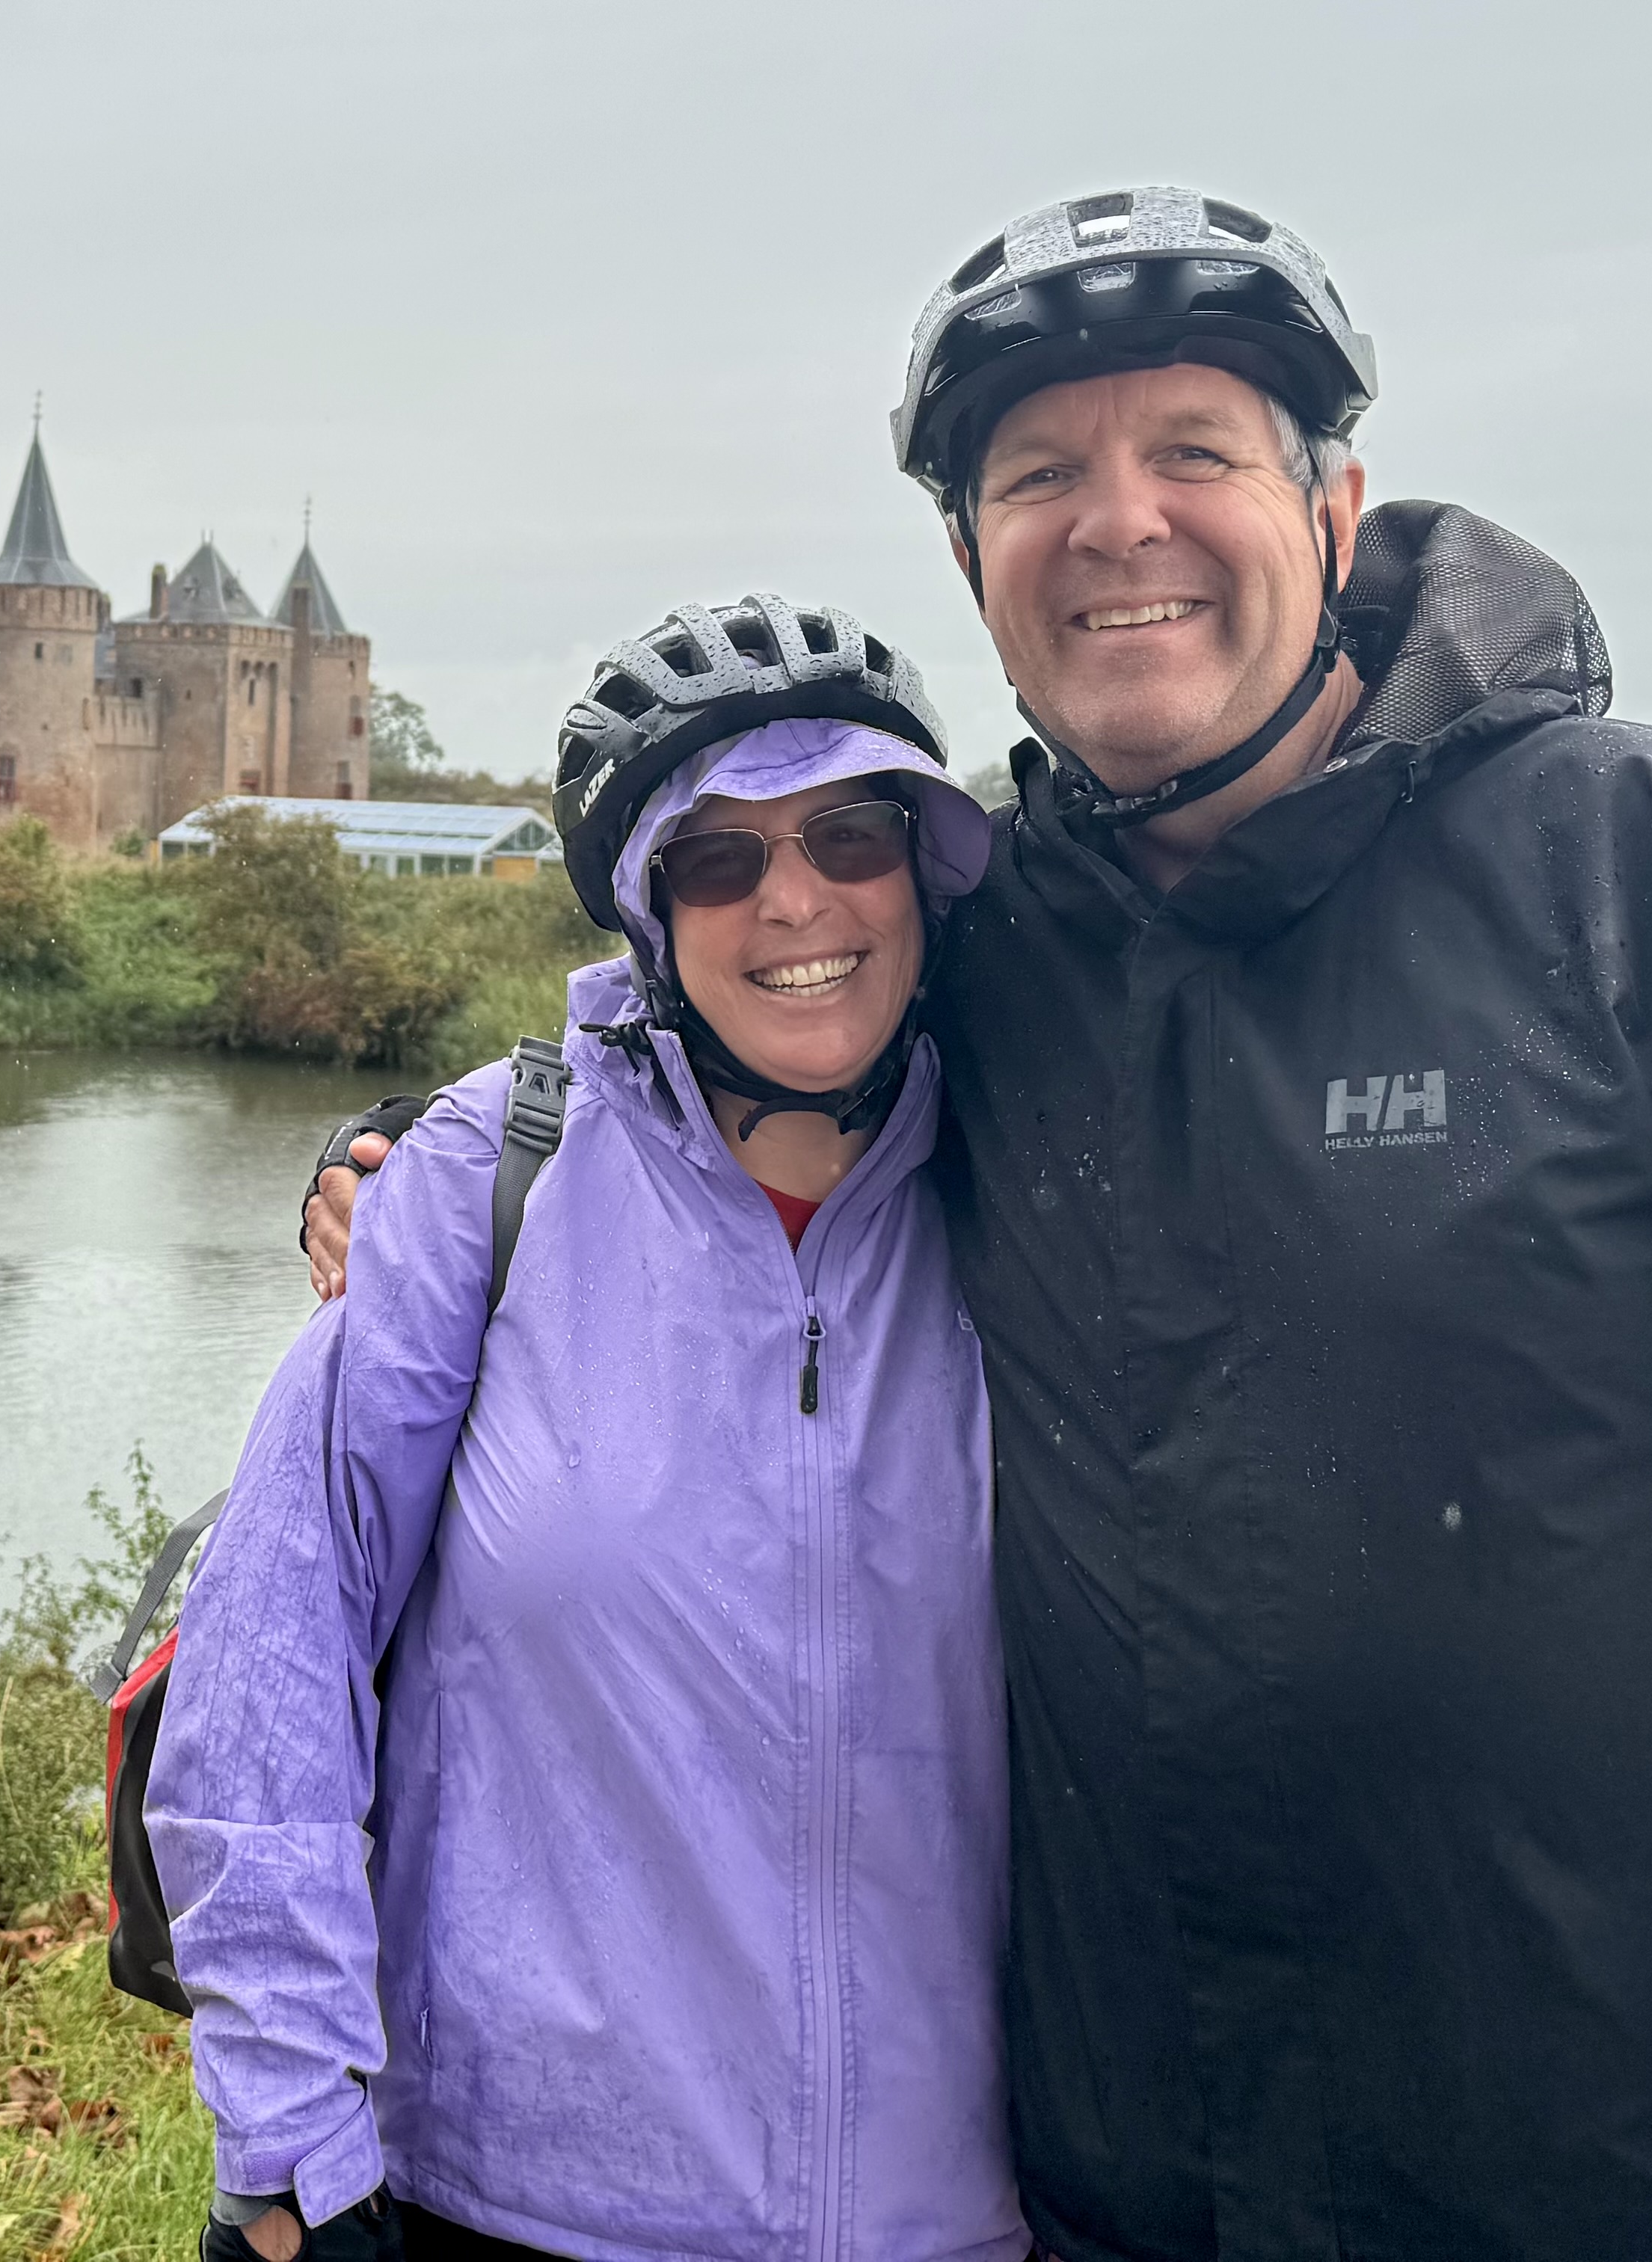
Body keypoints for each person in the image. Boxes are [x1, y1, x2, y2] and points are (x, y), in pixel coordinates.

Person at [305, 190, 1652, 2261]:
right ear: (969, 563)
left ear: (1333, 504)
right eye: (1037, 475)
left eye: (1193, 450)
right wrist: (409, 1166)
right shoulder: (986, 955)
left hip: (1649, 2207)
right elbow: (709, 1059)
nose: (1116, 521)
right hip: (1117, 2211)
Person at [153, 601, 1025, 2262]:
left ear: (925, 866)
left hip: (963, 2210)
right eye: (718, 859)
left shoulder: (1039, 1192)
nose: (795, 901)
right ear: (648, 916)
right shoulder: (487, 1185)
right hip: (523, 2202)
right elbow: (272, 1664)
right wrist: (284, 2140)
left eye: (850, 833)